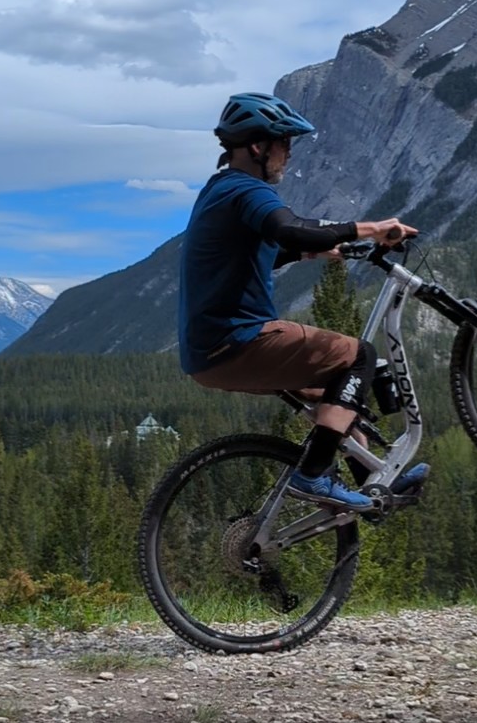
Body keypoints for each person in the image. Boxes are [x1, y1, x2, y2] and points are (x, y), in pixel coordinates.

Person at [178, 91, 427, 510]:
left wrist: (316, 252)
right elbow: (291, 228)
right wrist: (371, 229)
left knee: (341, 393)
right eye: (284, 143)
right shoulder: (247, 190)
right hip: (238, 340)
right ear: (257, 146)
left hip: (208, 352)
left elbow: (263, 253)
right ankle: (312, 475)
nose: (289, 153)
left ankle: (372, 484)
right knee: (360, 357)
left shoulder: (219, 191)